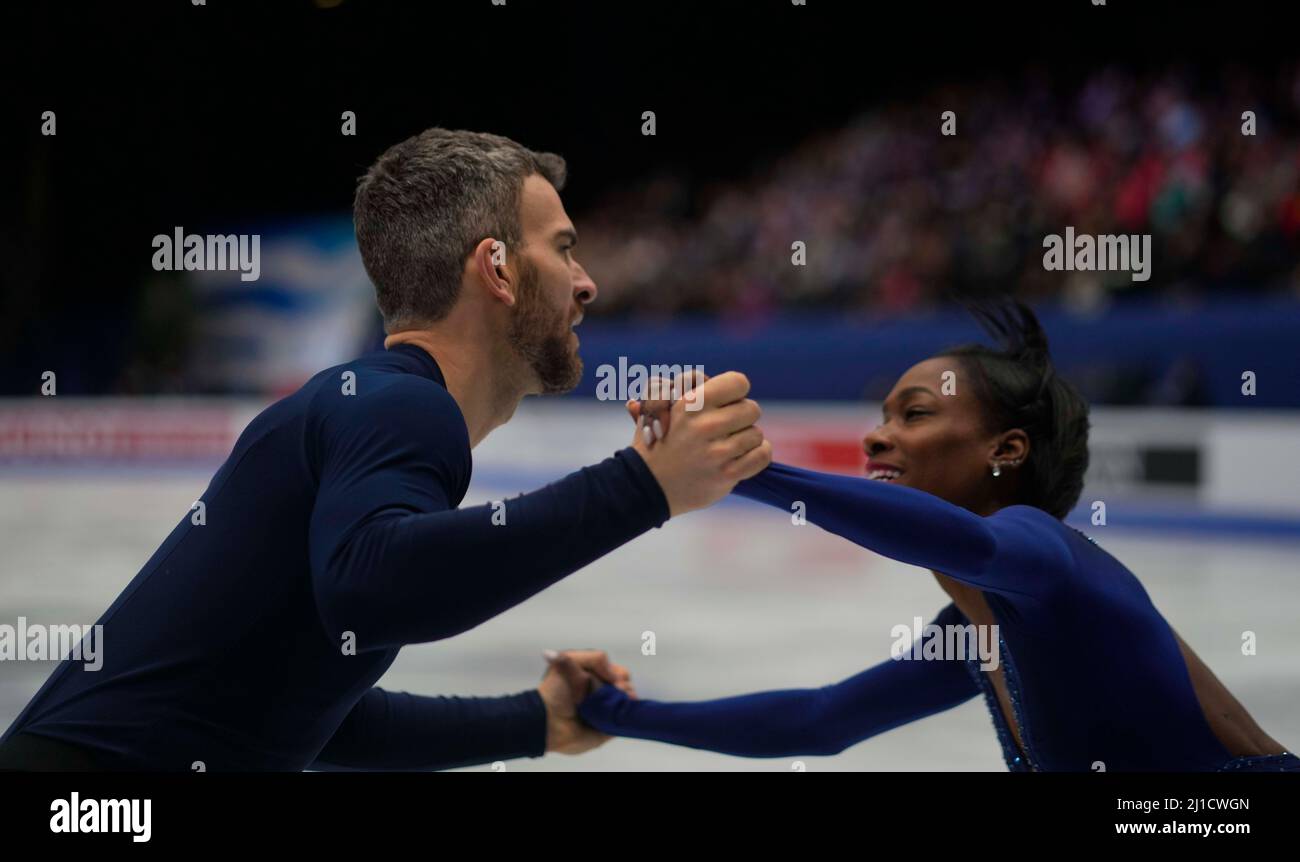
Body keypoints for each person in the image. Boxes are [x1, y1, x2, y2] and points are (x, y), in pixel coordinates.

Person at [0, 129, 771, 771]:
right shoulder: (404, 407)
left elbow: (306, 713)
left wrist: (532, 722)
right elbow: (374, 584)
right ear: (497, 267)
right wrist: (644, 487)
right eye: (564, 249)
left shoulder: (370, 402)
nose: (587, 282)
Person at [582, 300, 1298, 772]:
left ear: (1006, 451)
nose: (874, 436)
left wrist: (745, 469)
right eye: (882, 415)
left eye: (913, 415)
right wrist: (610, 711)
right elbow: (819, 719)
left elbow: (971, 546)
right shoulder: (977, 630)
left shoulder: (1045, 553)